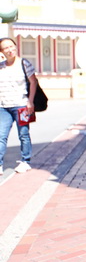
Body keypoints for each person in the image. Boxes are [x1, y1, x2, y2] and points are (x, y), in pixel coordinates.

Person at [0, 37, 36, 175]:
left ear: (15, 46)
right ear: (1, 51)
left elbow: (33, 82)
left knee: (23, 134)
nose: (10, 50)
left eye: (11, 46)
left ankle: (25, 161)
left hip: (21, 106)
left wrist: (30, 101)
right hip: (3, 107)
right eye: (5, 48)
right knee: (1, 136)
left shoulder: (24, 63)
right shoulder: (0, 66)